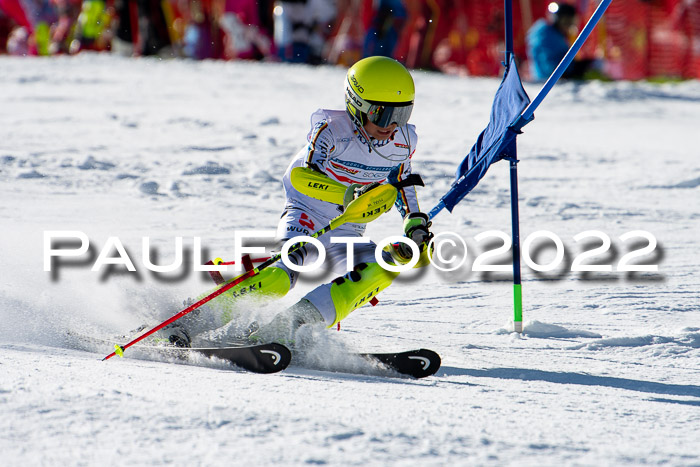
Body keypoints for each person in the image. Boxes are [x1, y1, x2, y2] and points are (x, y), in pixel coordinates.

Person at [164, 56, 433, 347]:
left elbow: (402, 184)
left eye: (401, 115)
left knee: (383, 267)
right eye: (382, 115)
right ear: (357, 105)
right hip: (306, 217)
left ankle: (294, 325)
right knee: (279, 277)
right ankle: (191, 321)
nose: (391, 125)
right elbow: (302, 176)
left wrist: (415, 224)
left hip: (348, 231)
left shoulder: (404, 141)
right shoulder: (331, 130)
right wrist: (346, 194)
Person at [526, 2, 593, 81]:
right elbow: (550, 65)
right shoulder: (547, 36)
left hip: (551, 77)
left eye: (572, 22)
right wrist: (578, 67)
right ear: (557, 20)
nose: (569, 26)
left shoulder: (554, 34)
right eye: (566, 21)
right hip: (548, 79)